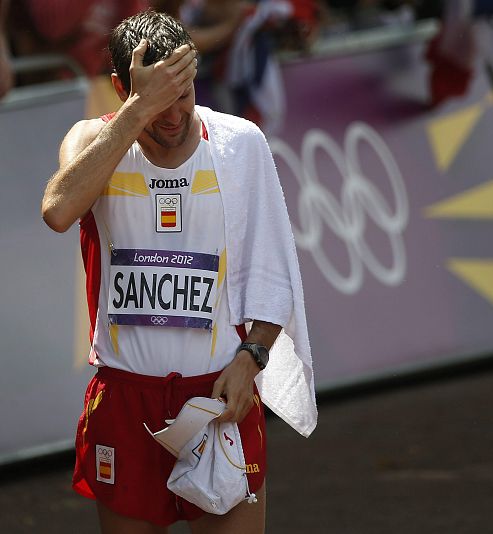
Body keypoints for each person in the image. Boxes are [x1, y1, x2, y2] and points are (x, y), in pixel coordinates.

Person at [41, 10, 316, 534]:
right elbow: (58, 211)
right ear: (122, 87)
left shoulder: (239, 144)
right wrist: (136, 112)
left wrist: (251, 360)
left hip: (216, 398)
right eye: (157, 100)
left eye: (183, 94)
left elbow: (273, 273)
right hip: (124, 401)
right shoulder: (91, 141)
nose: (172, 116)